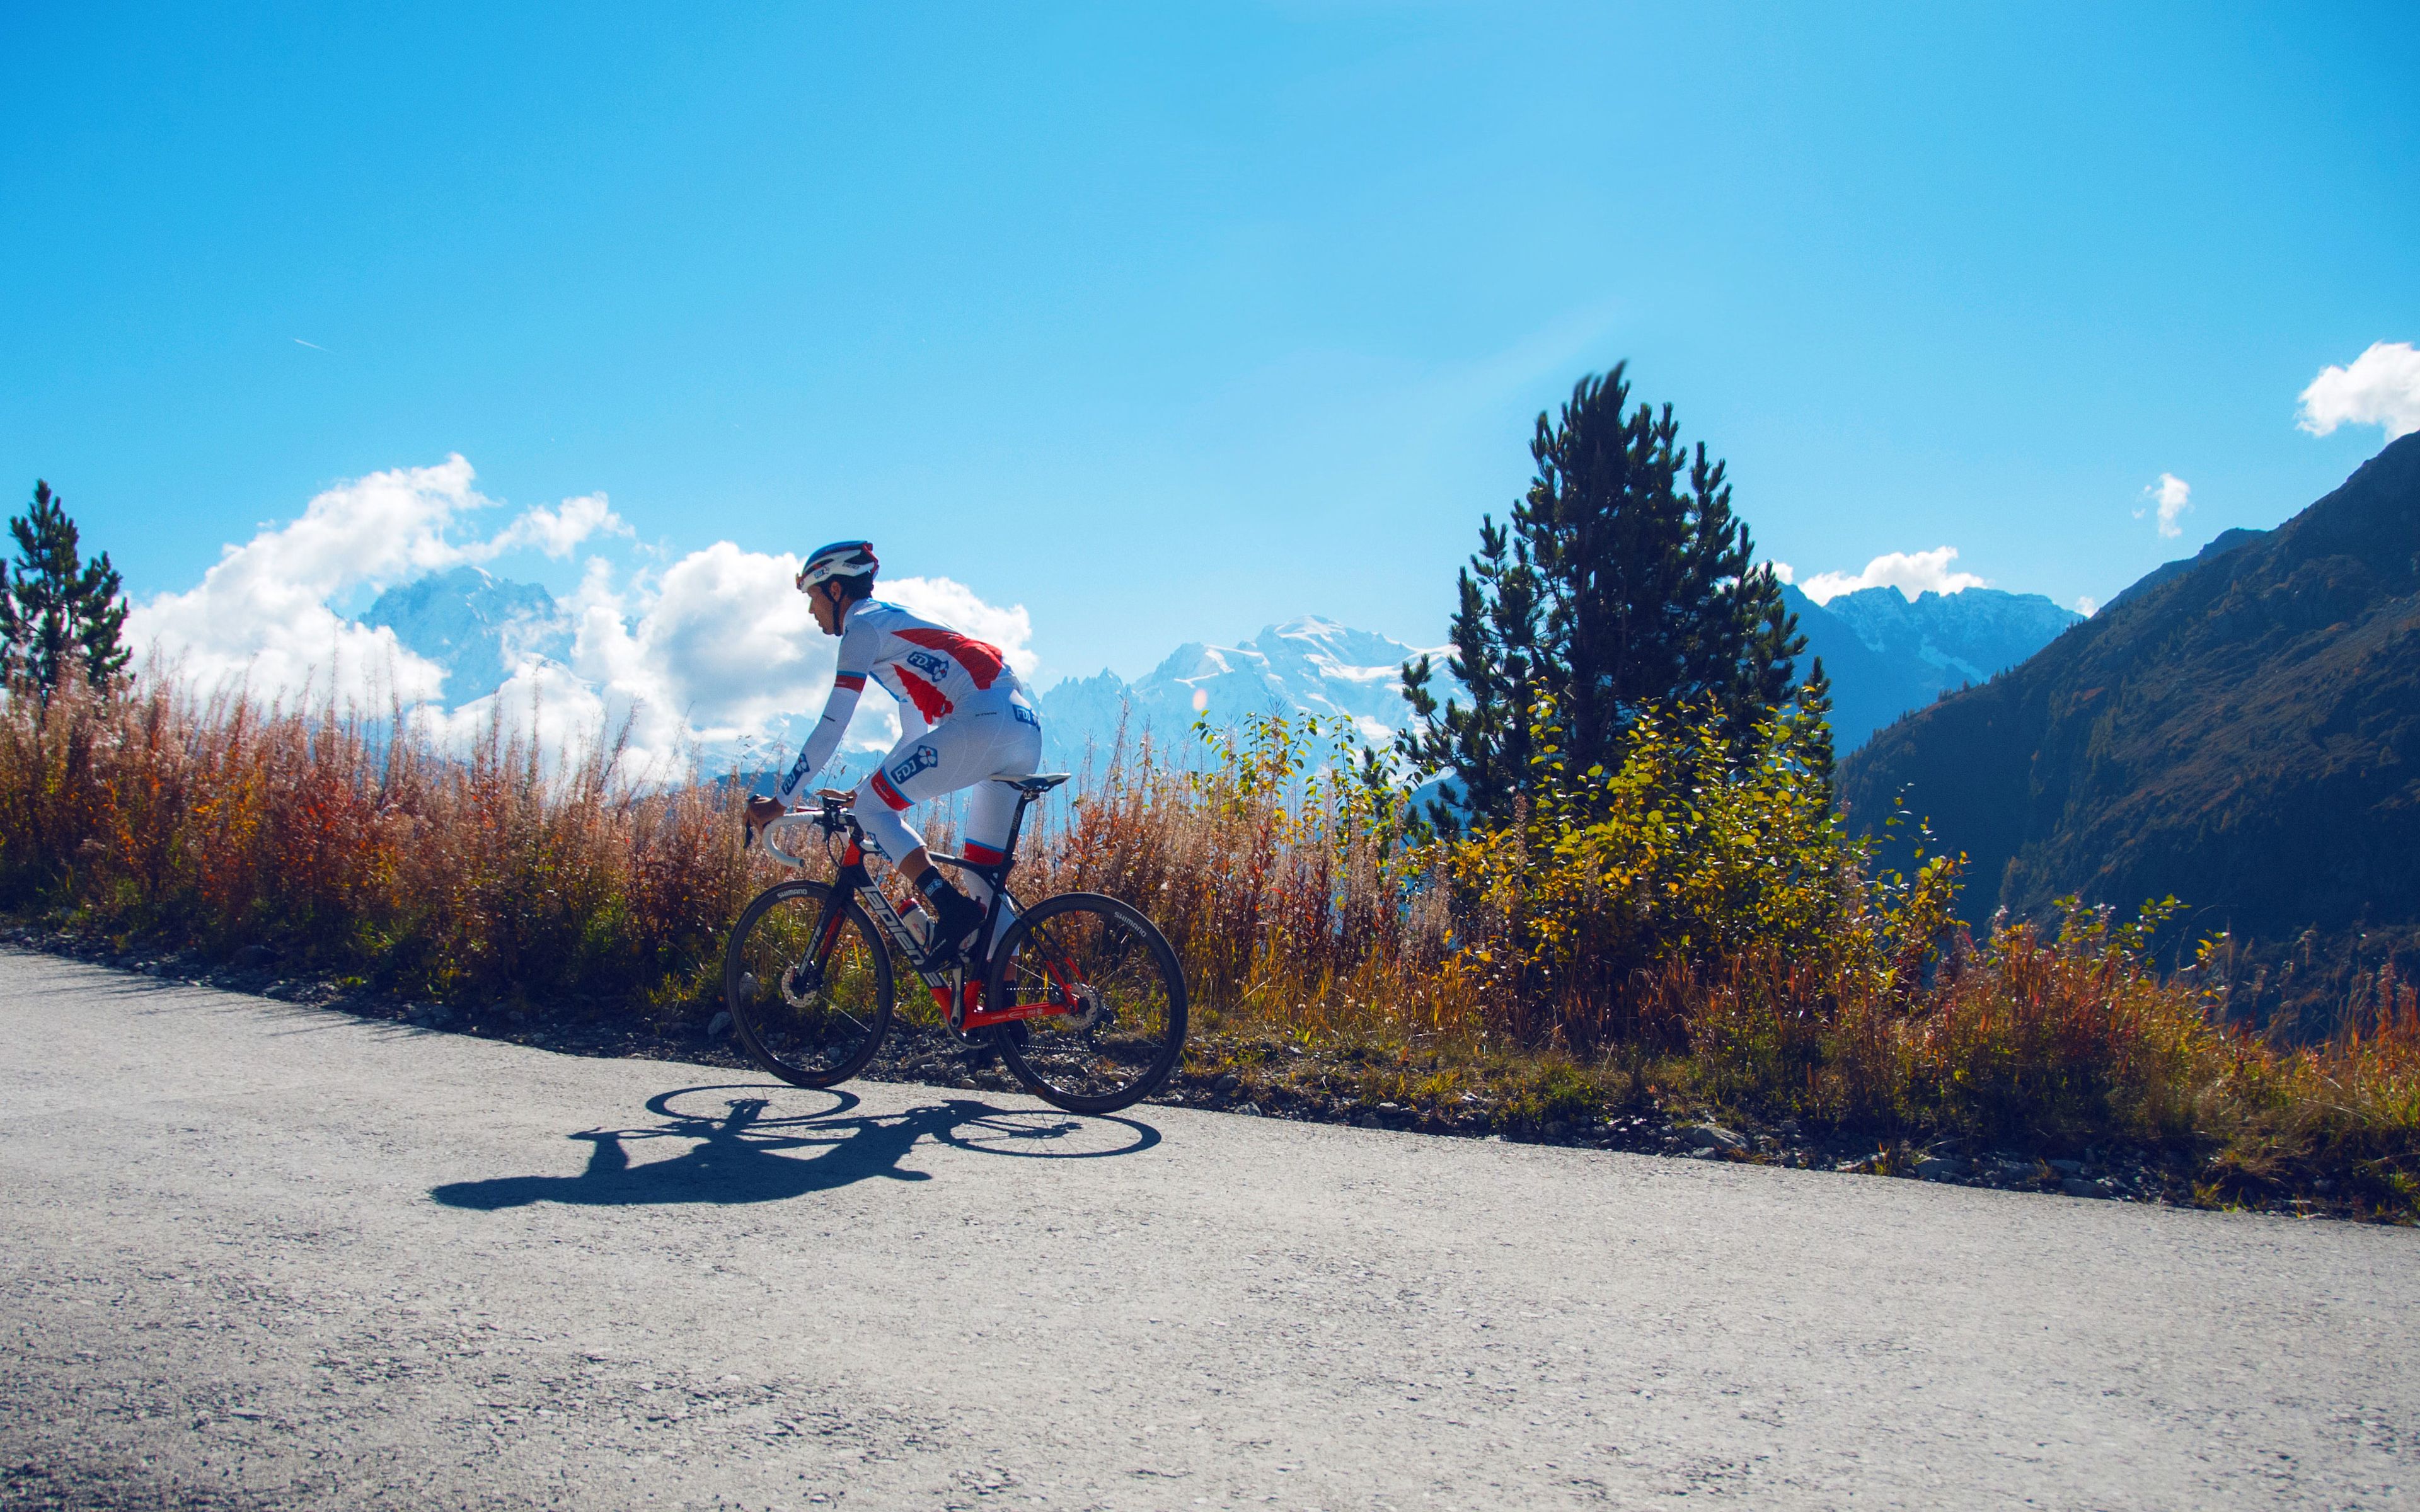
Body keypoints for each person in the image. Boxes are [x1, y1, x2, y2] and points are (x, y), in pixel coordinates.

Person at [747, 539, 1042, 960]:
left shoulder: (861, 628)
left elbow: (833, 724)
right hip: (1023, 726)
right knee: (983, 876)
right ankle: (1001, 1010)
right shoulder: (896, 628)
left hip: (982, 722)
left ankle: (950, 907)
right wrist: (869, 784)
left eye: (812, 596)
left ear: (835, 590)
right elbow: (913, 734)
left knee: (872, 811)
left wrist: (782, 800)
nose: (811, 611)